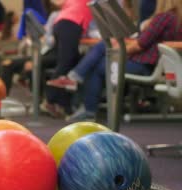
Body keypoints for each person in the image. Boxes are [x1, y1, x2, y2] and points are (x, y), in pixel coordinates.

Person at [52, 0, 182, 121]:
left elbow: (141, 44)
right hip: (159, 65)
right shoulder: (176, 19)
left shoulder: (164, 17)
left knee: (100, 62)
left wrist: (120, 50)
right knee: (103, 53)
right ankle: (79, 86)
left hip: (145, 65)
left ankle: (86, 103)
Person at [41, 0, 94, 118]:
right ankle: (49, 101)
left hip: (62, 24)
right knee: (65, 64)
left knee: (70, 63)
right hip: (70, 24)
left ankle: (64, 104)